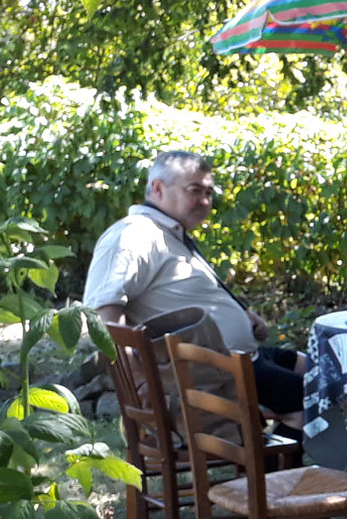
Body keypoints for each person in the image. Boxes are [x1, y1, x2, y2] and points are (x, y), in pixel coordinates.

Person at [84, 149, 307, 419]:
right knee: (313, 397)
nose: (205, 201)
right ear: (157, 188)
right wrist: (140, 379)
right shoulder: (133, 235)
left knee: (318, 370)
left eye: (209, 193)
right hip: (211, 377)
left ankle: (287, 450)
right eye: (195, 190)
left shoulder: (169, 233)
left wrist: (241, 315)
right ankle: (277, 461)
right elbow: (102, 317)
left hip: (242, 358)